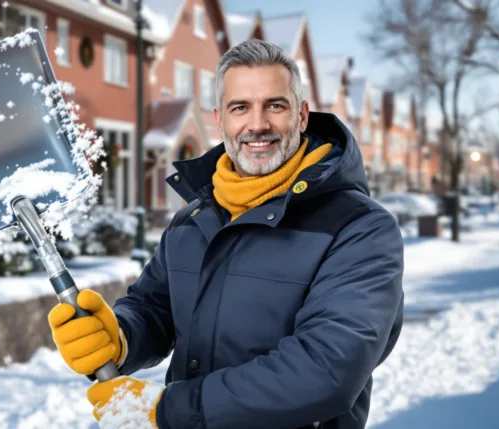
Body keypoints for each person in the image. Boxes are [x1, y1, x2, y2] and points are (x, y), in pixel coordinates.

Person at [48, 39, 404, 429]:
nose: (258, 124)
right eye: (240, 108)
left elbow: (327, 368)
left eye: (275, 105)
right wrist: (120, 335)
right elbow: (155, 307)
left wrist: (169, 410)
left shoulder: (360, 228)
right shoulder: (192, 220)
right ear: (220, 120)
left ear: (302, 116)